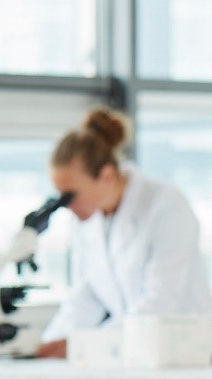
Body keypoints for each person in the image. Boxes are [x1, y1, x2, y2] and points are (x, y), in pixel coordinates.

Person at [37, 107, 212, 358]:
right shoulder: (86, 220)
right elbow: (85, 296)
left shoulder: (166, 204)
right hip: (132, 354)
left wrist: (87, 345)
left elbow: (160, 301)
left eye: (71, 196)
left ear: (106, 176)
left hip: (183, 354)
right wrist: (50, 344)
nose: (67, 207)